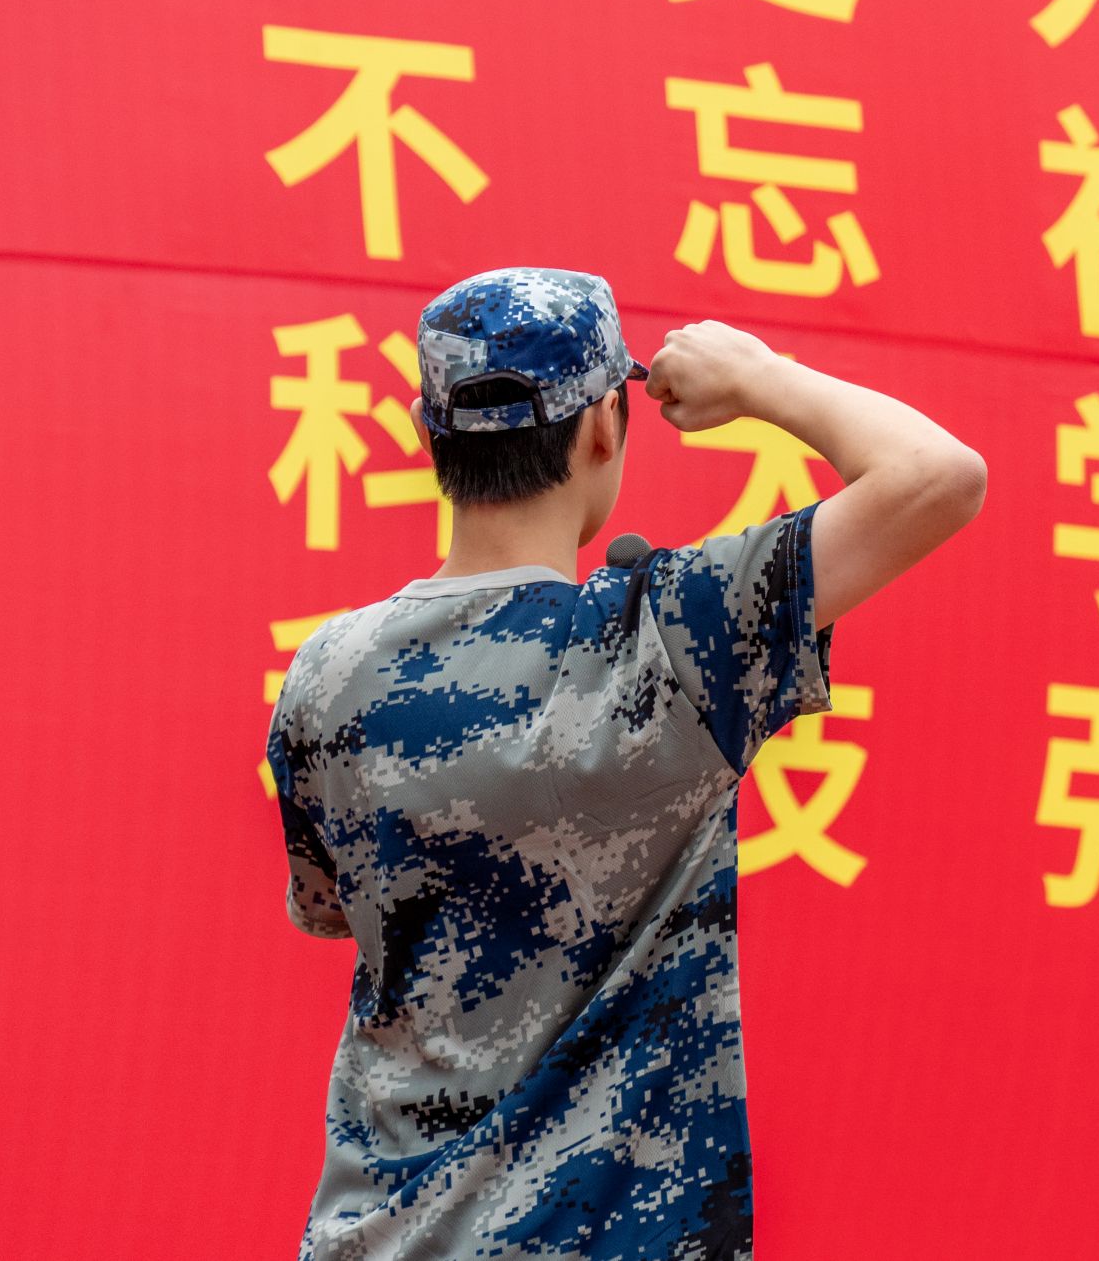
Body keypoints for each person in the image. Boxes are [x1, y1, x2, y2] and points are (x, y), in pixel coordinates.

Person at [266, 266, 986, 1260]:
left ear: (430, 434)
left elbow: (329, 907)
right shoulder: (667, 638)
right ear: (605, 425)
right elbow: (939, 475)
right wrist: (758, 376)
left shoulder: (326, 675)